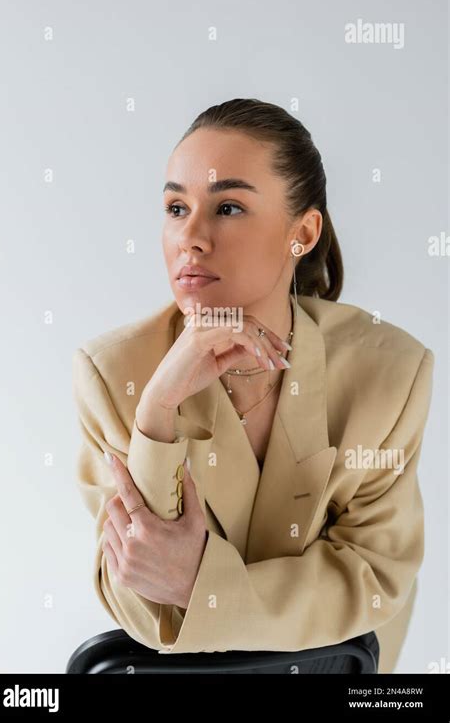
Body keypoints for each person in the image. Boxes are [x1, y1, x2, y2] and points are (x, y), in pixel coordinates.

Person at [72, 98, 434, 672]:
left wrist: (201, 585)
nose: (190, 237)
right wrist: (158, 410)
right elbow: (139, 606)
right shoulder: (115, 375)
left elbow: (374, 580)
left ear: (303, 232)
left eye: (230, 207)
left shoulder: (390, 373)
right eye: (175, 207)